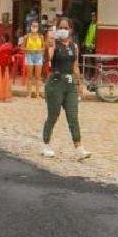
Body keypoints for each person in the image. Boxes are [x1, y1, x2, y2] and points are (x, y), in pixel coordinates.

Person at [41, 17, 90, 161]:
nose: (63, 30)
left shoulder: (74, 46)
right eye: (60, 28)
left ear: (71, 30)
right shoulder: (54, 44)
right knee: (53, 115)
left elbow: (75, 65)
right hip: (56, 82)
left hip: (70, 83)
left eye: (66, 28)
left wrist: (80, 84)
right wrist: (48, 45)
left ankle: (79, 147)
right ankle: (46, 144)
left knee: (73, 116)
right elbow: (47, 59)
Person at [22, 19, 46, 99]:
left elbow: (43, 48)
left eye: (36, 26)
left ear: (38, 27)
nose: (34, 27)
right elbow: (22, 48)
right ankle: (28, 93)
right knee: (29, 76)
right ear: (30, 27)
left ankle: (37, 94)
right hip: (29, 55)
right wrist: (28, 50)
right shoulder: (27, 36)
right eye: (33, 26)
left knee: (38, 76)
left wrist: (39, 50)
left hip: (38, 56)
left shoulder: (41, 36)